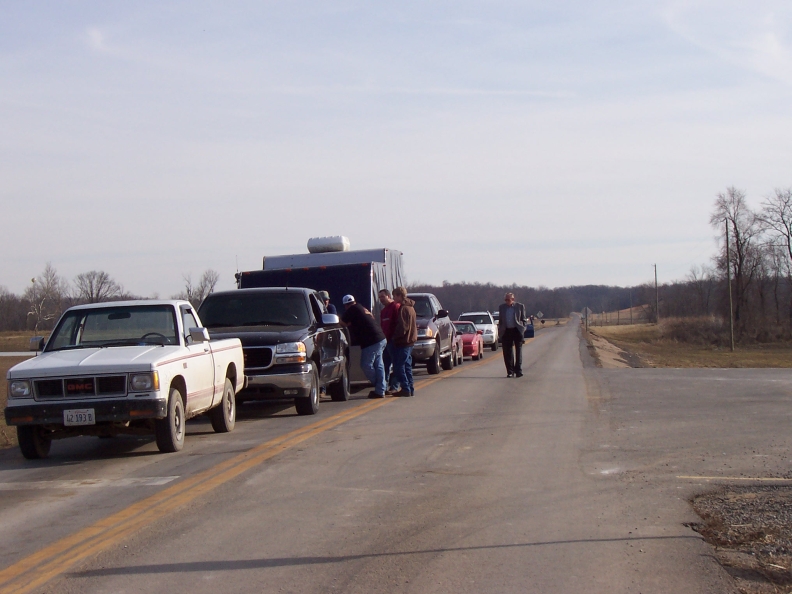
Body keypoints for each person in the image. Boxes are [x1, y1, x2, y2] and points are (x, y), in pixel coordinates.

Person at [340, 294, 387, 398]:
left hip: (371, 341)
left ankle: (380, 388)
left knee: (366, 365)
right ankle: (382, 388)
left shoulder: (352, 309)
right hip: (381, 338)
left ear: (346, 305)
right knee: (378, 365)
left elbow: (342, 323)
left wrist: (337, 318)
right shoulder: (361, 308)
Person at [390, 287, 418, 396]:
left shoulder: (404, 308)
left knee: (398, 366)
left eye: (395, 296)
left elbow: (403, 327)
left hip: (404, 342)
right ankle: (410, 387)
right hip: (410, 341)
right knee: (406, 366)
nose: (393, 298)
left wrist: (395, 337)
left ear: (399, 296)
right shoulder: (411, 307)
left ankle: (406, 388)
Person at [498, 292, 528, 378]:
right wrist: (500, 330)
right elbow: (501, 320)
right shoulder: (502, 307)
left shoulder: (520, 306)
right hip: (506, 331)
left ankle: (518, 370)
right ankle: (510, 371)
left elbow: (524, 319)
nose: (507, 301)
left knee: (518, 351)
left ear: (513, 299)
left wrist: (523, 328)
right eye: (506, 300)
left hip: (517, 330)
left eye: (508, 299)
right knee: (507, 352)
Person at [378, 289, 401, 394]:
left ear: (388, 296)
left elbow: (398, 324)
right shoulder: (383, 311)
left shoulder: (395, 307)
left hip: (393, 341)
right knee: (385, 365)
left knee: (396, 364)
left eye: (383, 297)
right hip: (385, 342)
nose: (381, 299)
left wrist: (396, 338)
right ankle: (384, 385)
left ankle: (395, 386)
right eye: (379, 297)